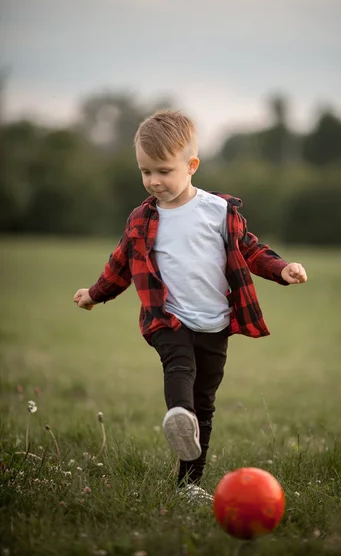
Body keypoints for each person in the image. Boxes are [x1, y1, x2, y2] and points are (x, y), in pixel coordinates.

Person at [73, 110, 307, 502]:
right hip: (168, 317)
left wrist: (281, 269)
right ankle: (177, 415)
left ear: (191, 165)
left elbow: (250, 249)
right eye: (145, 172)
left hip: (215, 323)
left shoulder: (218, 211)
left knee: (206, 405)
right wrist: (95, 294)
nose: (153, 182)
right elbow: (120, 264)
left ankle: (189, 484)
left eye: (163, 171)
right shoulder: (142, 220)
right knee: (179, 366)